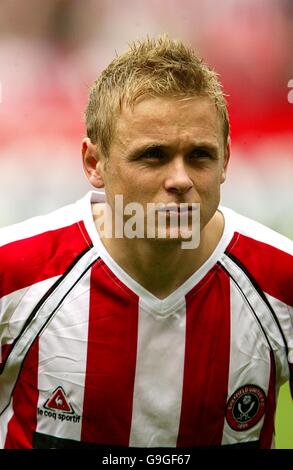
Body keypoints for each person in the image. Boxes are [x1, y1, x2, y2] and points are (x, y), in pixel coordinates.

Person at [0, 35, 292, 450]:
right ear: (93, 163)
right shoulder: (14, 273)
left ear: (226, 160)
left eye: (200, 156)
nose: (180, 179)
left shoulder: (281, 280)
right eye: (153, 155)